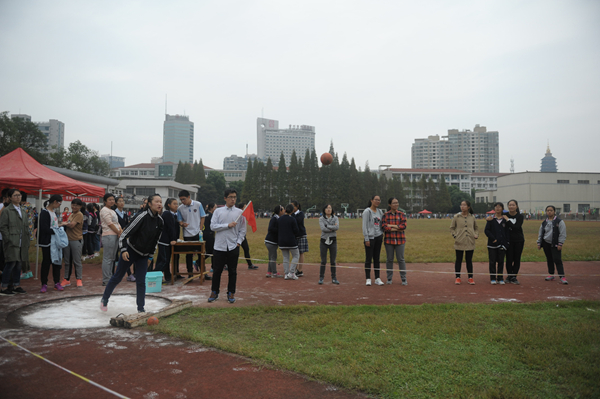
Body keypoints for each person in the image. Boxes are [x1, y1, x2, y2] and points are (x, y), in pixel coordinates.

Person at [100, 194, 164, 313]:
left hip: (144, 255)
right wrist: (123, 250)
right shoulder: (141, 216)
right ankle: (105, 299)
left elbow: (155, 241)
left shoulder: (160, 221)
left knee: (141, 281)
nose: (159, 204)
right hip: (130, 251)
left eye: (160, 201)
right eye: (156, 201)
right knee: (117, 277)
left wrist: (150, 256)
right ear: (149, 204)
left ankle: (141, 308)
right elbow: (124, 234)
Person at [208, 189, 246, 303]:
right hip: (219, 246)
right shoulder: (218, 211)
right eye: (230, 197)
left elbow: (243, 230)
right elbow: (213, 226)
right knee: (217, 271)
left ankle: (231, 292)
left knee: (233, 271)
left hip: (233, 246)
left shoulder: (240, 213)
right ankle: (214, 292)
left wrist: (238, 242)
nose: (233, 199)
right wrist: (227, 225)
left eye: (235, 197)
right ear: (225, 198)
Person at [0, 189, 29, 295]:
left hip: (22, 241)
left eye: (19, 195)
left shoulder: (22, 210)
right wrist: (8, 239)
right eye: (15, 195)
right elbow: (3, 227)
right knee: (11, 263)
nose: (18, 197)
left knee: (18, 264)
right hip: (12, 241)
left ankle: (16, 285)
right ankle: (4, 286)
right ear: (10, 198)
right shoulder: (7, 210)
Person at [177, 190, 208, 279]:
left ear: (189, 197)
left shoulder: (198, 204)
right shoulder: (180, 208)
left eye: (184, 199)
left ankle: (203, 273)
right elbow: (179, 220)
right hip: (187, 234)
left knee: (201, 253)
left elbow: (202, 217)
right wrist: (182, 224)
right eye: (181, 200)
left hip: (197, 233)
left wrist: (200, 229)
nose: (183, 201)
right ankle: (190, 273)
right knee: (189, 254)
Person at [38, 195, 65, 293]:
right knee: (46, 262)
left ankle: (57, 282)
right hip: (47, 241)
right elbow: (44, 228)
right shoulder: (45, 213)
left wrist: (59, 227)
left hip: (55, 241)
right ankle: (44, 283)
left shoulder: (54, 212)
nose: (59, 205)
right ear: (54, 201)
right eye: (59, 203)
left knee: (57, 262)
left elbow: (54, 225)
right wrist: (56, 231)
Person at [450, 200, 479, 285]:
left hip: (470, 241)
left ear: (468, 207)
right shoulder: (456, 217)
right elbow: (451, 228)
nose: (462, 207)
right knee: (458, 260)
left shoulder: (472, 217)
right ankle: (458, 277)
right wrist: (455, 236)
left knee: (469, 260)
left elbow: (476, 228)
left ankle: (470, 277)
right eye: (461, 205)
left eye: (464, 205)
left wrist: (476, 234)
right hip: (459, 241)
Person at [537, 205, 568, 284]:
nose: (549, 212)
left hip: (555, 244)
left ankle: (562, 276)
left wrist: (560, 243)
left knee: (557, 259)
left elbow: (562, 233)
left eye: (551, 210)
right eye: (548, 210)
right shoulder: (544, 222)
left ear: (554, 211)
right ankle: (551, 274)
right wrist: (539, 242)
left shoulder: (559, 222)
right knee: (549, 259)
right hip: (546, 243)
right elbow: (541, 233)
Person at [381, 197, 408, 285]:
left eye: (397, 202)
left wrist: (391, 226)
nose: (396, 204)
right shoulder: (385, 215)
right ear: (389, 205)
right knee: (389, 259)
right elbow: (384, 227)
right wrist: (397, 227)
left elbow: (403, 226)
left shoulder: (402, 214)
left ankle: (403, 278)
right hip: (389, 241)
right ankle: (389, 278)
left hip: (400, 240)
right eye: (394, 203)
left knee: (401, 259)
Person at [61, 198, 84, 287]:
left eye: (76, 205)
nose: (74, 206)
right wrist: (63, 223)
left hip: (76, 240)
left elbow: (71, 225)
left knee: (77, 261)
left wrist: (63, 223)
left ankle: (79, 279)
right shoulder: (71, 214)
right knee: (67, 261)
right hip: (68, 240)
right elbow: (68, 222)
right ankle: (66, 279)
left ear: (80, 206)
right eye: (73, 204)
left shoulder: (79, 214)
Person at [99, 194, 122, 286]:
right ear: (104, 201)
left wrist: (120, 231)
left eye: (113, 199)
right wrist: (118, 232)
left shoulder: (112, 210)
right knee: (107, 258)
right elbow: (110, 223)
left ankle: (110, 277)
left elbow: (117, 223)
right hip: (109, 235)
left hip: (115, 235)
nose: (112, 201)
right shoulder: (104, 210)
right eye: (109, 200)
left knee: (112, 258)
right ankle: (106, 279)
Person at [362, 195, 385, 286]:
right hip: (370, 238)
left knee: (377, 258)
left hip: (378, 237)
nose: (377, 201)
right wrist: (366, 238)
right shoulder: (367, 211)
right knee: (368, 258)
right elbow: (364, 226)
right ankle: (368, 278)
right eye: (376, 200)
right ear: (371, 200)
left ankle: (377, 278)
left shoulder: (380, 211)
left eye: (379, 200)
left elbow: (382, 223)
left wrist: (381, 233)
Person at [484, 202, 509, 285]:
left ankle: (500, 278)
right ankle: (493, 278)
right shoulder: (491, 219)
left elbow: (507, 232)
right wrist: (493, 239)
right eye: (496, 207)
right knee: (492, 262)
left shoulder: (505, 220)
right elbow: (486, 230)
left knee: (501, 262)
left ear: (502, 208)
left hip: (502, 244)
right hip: (492, 245)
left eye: (499, 207)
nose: (497, 208)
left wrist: (506, 243)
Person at [155, 198, 179, 282]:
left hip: (165, 241)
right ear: (169, 205)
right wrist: (173, 239)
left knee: (163, 259)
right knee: (165, 260)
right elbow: (170, 228)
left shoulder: (173, 214)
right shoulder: (167, 214)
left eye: (177, 204)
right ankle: (153, 275)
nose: (177, 205)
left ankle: (168, 276)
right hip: (164, 241)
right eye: (174, 204)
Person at [278, 204, 300, 281]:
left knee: (285, 257)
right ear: (292, 211)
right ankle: (292, 272)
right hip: (291, 241)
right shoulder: (292, 219)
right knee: (296, 255)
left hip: (282, 241)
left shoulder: (280, 219)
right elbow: (296, 231)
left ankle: (286, 274)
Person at [319, 204, 339, 285]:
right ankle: (321, 277)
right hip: (323, 241)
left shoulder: (335, 218)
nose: (329, 209)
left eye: (330, 208)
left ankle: (334, 277)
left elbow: (337, 228)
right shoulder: (321, 219)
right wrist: (331, 227)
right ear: (324, 210)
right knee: (323, 261)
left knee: (333, 261)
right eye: (327, 208)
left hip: (333, 240)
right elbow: (323, 229)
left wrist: (327, 226)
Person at [505, 199, 524, 285]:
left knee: (516, 259)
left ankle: (514, 276)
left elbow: (516, 227)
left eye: (513, 205)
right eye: (510, 205)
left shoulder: (520, 216)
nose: (511, 206)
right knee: (509, 259)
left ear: (516, 206)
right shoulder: (505, 215)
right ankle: (509, 276)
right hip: (508, 240)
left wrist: (508, 220)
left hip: (518, 240)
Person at [264, 205, 284, 278]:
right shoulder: (275, 218)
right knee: (273, 257)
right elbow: (271, 228)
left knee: (271, 257)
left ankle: (269, 272)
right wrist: (280, 230)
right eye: (283, 209)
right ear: (280, 211)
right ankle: (274, 273)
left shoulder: (277, 218)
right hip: (271, 241)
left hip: (271, 242)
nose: (284, 210)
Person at [19, 192, 35, 279]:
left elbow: (27, 221)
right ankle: (27, 271)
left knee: (22, 254)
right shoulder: (28, 205)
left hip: (25, 233)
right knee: (23, 253)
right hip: (28, 233)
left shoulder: (24, 207)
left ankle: (26, 271)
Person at [237, 204, 258, 270]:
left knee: (246, 249)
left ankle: (250, 264)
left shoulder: (243, 215)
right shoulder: (237, 215)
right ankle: (227, 265)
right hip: (236, 236)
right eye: (245, 207)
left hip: (242, 236)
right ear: (241, 208)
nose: (246, 208)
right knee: (234, 252)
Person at [291, 200, 308, 277]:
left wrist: (291, 214)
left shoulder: (300, 213)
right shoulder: (292, 214)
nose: (292, 208)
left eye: (293, 206)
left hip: (301, 235)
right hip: (294, 236)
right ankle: (294, 269)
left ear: (297, 206)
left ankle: (300, 270)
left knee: (301, 253)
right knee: (294, 253)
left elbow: (297, 221)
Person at [203, 203, 217, 272]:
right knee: (212, 251)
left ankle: (198, 261)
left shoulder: (205, 215)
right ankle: (213, 267)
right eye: (215, 207)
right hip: (210, 234)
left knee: (209, 251)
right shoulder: (211, 216)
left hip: (205, 234)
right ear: (211, 208)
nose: (216, 209)